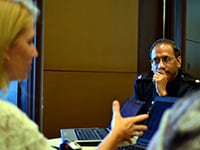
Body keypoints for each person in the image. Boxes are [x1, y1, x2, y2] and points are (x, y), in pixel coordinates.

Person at [0, 0, 148, 149]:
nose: (35, 53)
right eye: (29, 42)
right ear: (6, 46)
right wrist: (116, 134)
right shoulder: (8, 120)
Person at [132, 38, 200, 112]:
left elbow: (183, 122)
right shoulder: (143, 83)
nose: (161, 66)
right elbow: (133, 116)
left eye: (166, 59)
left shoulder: (192, 87)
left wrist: (163, 94)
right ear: (151, 65)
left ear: (178, 62)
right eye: (156, 61)